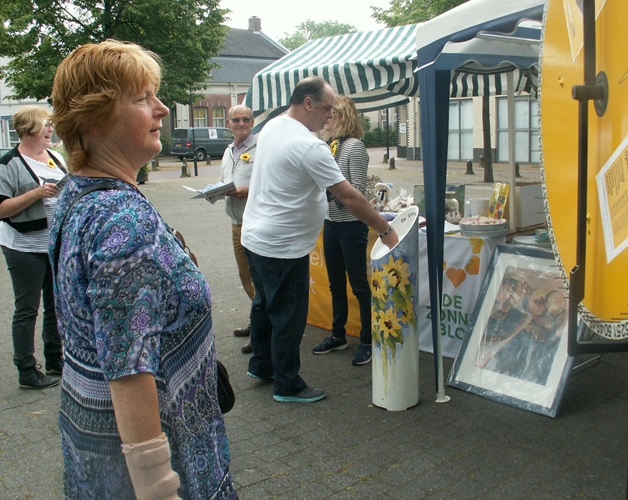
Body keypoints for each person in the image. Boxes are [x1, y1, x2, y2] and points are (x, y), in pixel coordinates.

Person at [49, 40, 236, 498]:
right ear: (94, 119)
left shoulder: (77, 192)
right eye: (142, 98)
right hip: (147, 464)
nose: (163, 108)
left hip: (93, 441)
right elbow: (128, 364)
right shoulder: (121, 219)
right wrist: (158, 487)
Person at [241, 76, 399, 403]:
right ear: (308, 103)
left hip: (255, 237)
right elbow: (350, 197)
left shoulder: (272, 126)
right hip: (283, 246)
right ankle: (287, 384)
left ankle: (261, 365)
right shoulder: (310, 146)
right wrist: (385, 228)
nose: (330, 115)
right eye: (326, 109)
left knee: (265, 305)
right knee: (289, 314)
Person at [0, 105, 65, 390]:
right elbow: (2, 209)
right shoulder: (9, 163)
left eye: (51, 125)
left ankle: (56, 360)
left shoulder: (55, 157)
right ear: (29, 130)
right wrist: (37, 193)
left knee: (55, 306)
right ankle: (27, 370)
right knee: (27, 309)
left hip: (53, 244)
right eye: (45, 125)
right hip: (24, 246)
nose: (50, 129)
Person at [312, 95, 373, 365]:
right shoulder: (327, 145)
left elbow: (358, 190)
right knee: (335, 283)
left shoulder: (355, 147)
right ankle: (338, 335)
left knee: (359, 285)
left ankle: (368, 340)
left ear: (343, 115)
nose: (326, 118)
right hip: (332, 223)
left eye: (330, 113)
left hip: (351, 225)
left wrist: (327, 194)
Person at [220, 105, 257, 354]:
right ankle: (256, 322)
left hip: (255, 224)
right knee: (245, 277)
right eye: (236, 120)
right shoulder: (228, 151)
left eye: (245, 119)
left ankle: (262, 330)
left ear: (252, 122)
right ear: (228, 123)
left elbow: (268, 182)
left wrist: (248, 191)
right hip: (236, 223)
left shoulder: (261, 148)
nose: (241, 123)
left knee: (258, 279)